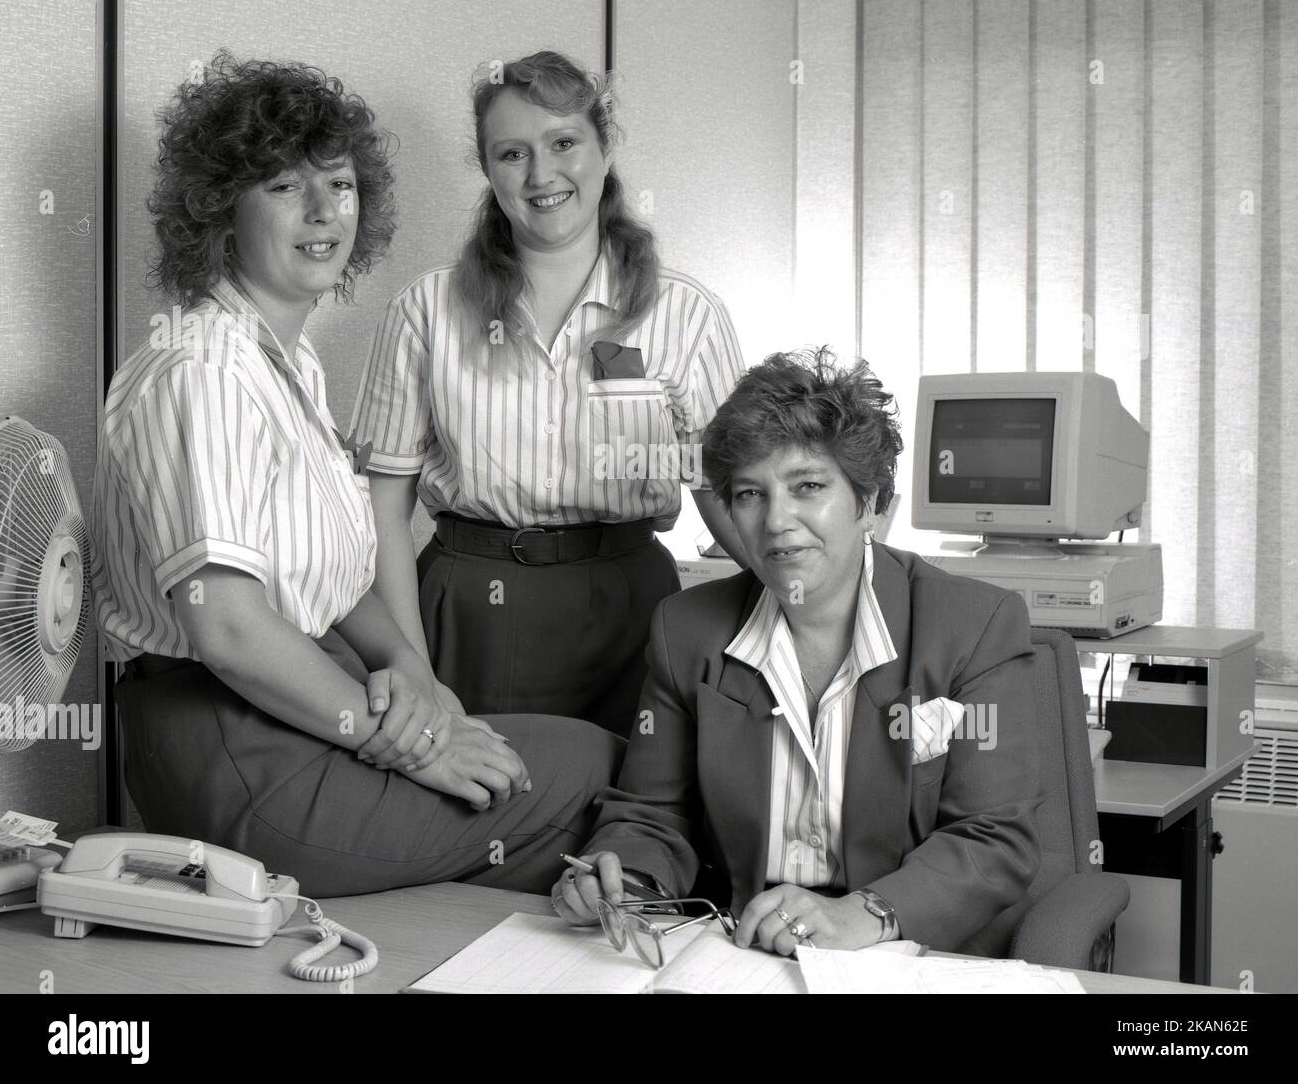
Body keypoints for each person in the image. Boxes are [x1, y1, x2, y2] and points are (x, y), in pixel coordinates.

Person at [92, 52, 620, 898]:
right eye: (283, 186)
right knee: (594, 770)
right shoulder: (203, 369)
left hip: (298, 708)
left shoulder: (286, 362)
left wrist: (415, 673)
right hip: (231, 748)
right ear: (219, 211)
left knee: (546, 762)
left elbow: (330, 580)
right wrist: (407, 740)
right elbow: (227, 630)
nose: (321, 211)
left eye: (337, 184)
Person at [551, 348, 1042, 955]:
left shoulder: (974, 627)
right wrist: (625, 879)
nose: (777, 521)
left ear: (870, 501)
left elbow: (993, 840)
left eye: (807, 486)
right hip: (744, 950)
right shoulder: (687, 632)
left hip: (904, 948)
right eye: (750, 494)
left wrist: (865, 914)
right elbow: (654, 813)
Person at [350, 50, 746, 738]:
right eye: (512, 153)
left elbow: (729, 493)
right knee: (478, 814)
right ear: (487, 169)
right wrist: (413, 666)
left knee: (632, 812)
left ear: (602, 146)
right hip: (468, 604)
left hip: (633, 604)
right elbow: (382, 511)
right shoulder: (427, 310)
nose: (541, 175)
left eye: (563, 142)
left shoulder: (686, 315)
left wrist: (828, 588)